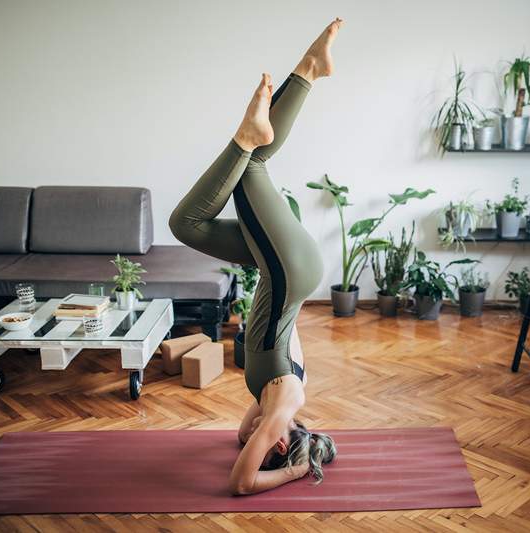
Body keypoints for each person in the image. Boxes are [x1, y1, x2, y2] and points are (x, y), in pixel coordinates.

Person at [169, 18, 343, 495]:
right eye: (277, 446)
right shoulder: (286, 403)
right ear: (286, 444)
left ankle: (297, 83)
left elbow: (243, 434)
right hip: (290, 267)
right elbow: (241, 484)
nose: (262, 440)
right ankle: (307, 71)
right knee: (253, 163)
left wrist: (268, 434)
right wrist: (293, 471)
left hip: (280, 263)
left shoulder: (269, 407)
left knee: (187, 226)